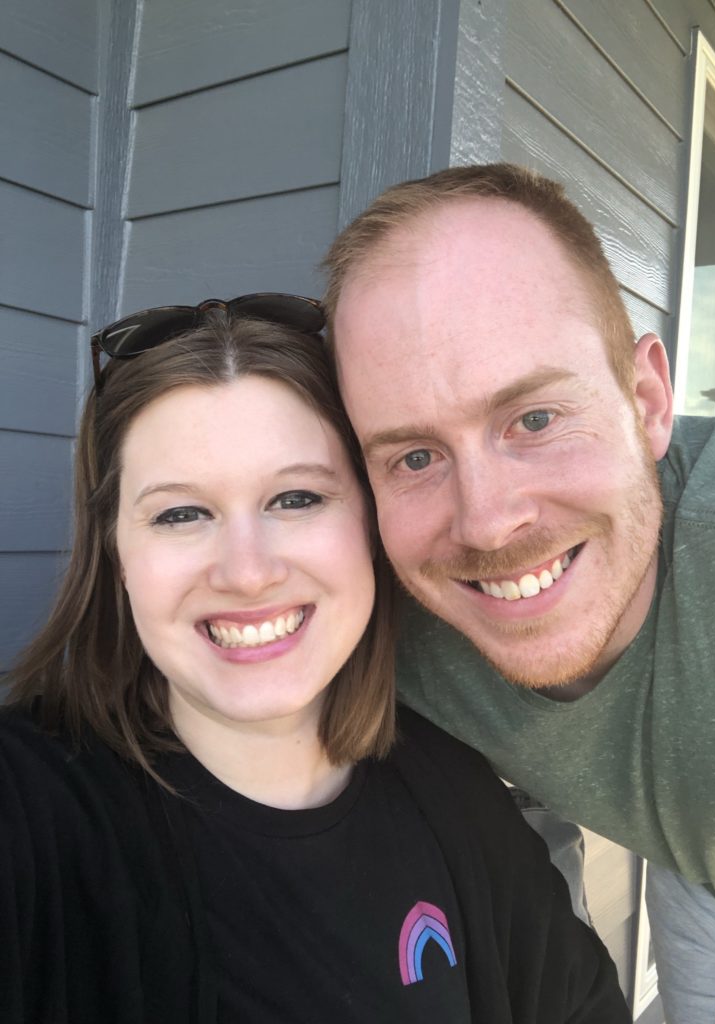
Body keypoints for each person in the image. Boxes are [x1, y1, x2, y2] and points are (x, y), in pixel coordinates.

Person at [0, 294, 629, 1023]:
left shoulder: (459, 798)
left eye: (296, 498)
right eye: (180, 513)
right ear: (116, 558)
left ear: (369, 526)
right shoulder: (30, 813)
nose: (246, 570)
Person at [323, 163, 715, 1024]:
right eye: (413, 456)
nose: (486, 525)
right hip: (700, 852)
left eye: (533, 419)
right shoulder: (379, 606)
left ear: (645, 400)